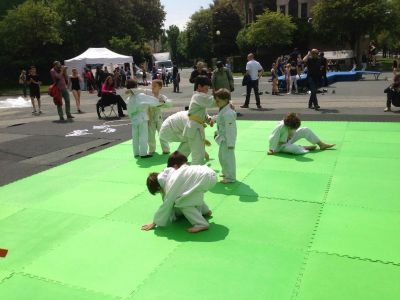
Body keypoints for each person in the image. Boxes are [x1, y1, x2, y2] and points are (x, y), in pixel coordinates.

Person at [142, 153, 217, 233]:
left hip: (205, 178)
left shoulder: (170, 183)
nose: (161, 193)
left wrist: (155, 222)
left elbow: (167, 204)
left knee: (182, 202)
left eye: (158, 192)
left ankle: (201, 224)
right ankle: (206, 211)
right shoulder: (169, 174)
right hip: (209, 173)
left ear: (158, 187)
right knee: (190, 195)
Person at [183, 75, 216, 165]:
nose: (207, 91)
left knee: (186, 152)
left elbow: (203, 113)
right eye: (205, 88)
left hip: (194, 127)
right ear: (199, 87)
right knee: (198, 155)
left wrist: (209, 119)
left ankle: (174, 167)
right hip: (194, 128)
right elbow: (213, 102)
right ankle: (195, 174)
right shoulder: (198, 96)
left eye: (208, 89)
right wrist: (225, 99)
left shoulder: (198, 97)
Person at [268, 112, 335, 155]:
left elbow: (293, 131)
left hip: (288, 140)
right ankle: (303, 147)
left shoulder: (291, 124)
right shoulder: (280, 126)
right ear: (288, 125)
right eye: (292, 128)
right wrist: (271, 149)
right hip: (281, 146)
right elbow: (273, 137)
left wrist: (291, 134)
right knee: (295, 149)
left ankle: (321, 144)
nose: (294, 129)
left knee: (305, 130)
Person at [126, 79, 162, 158]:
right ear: (136, 86)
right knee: (143, 135)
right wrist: (160, 101)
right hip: (142, 117)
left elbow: (128, 110)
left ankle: (136, 152)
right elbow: (152, 101)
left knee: (135, 136)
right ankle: (143, 153)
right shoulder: (141, 96)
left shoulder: (129, 99)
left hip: (134, 118)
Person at [213, 89, 237, 183]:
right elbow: (219, 118)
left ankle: (230, 177)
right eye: (216, 101)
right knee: (221, 156)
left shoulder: (228, 113)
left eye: (218, 101)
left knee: (228, 158)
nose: (217, 103)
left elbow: (231, 130)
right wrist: (213, 119)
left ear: (226, 100)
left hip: (228, 140)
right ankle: (226, 171)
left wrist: (231, 143)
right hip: (223, 138)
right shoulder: (224, 110)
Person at [148, 79, 173, 155]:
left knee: (162, 133)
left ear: (160, 87)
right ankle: (152, 149)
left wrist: (164, 102)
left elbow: (169, 104)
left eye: (155, 86)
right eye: (152, 86)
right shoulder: (149, 97)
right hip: (150, 117)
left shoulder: (162, 97)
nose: (152, 87)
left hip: (158, 117)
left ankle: (166, 149)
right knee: (151, 135)